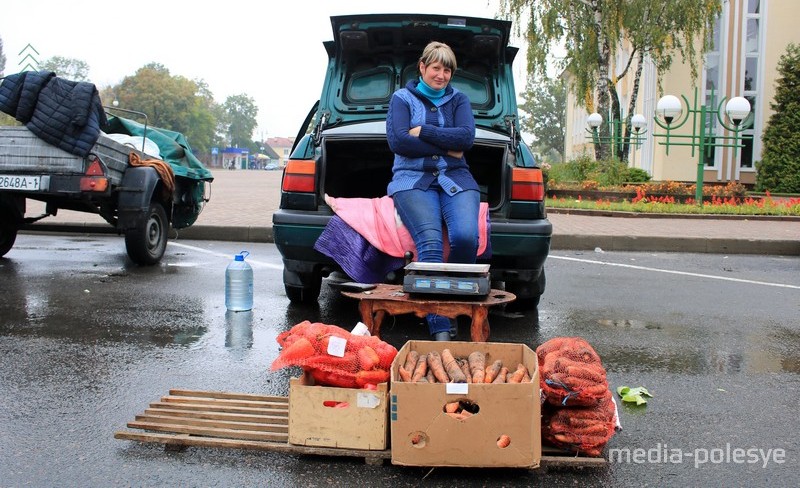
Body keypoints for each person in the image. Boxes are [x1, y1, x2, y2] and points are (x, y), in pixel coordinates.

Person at [386, 41, 479, 341]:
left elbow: (465, 139)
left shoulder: (459, 100)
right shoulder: (401, 99)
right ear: (423, 67)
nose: (441, 75)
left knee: (465, 237)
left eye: (447, 69)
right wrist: (448, 146)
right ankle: (441, 328)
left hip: (456, 178)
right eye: (436, 68)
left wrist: (423, 131)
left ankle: (457, 305)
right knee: (430, 244)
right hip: (412, 180)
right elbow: (399, 142)